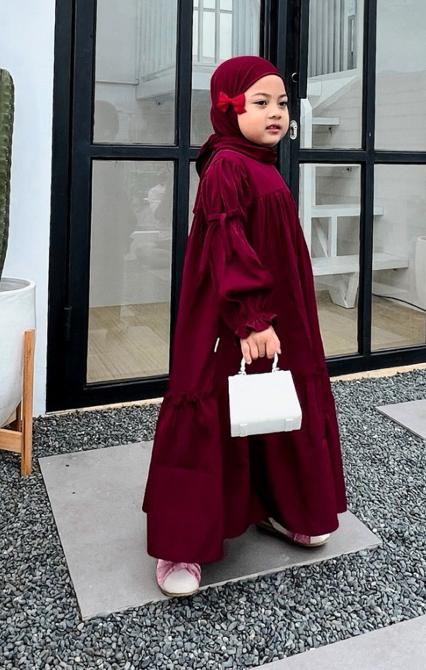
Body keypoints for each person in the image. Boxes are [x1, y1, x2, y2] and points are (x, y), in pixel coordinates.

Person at [142, 55, 347, 596]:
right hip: (234, 316)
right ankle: (181, 543)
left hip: (278, 312)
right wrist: (250, 318)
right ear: (228, 109)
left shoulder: (260, 162)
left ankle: (278, 507)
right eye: (261, 102)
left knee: (272, 402)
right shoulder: (227, 166)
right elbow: (225, 249)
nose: (276, 112)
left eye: (281, 103)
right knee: (211, 404)